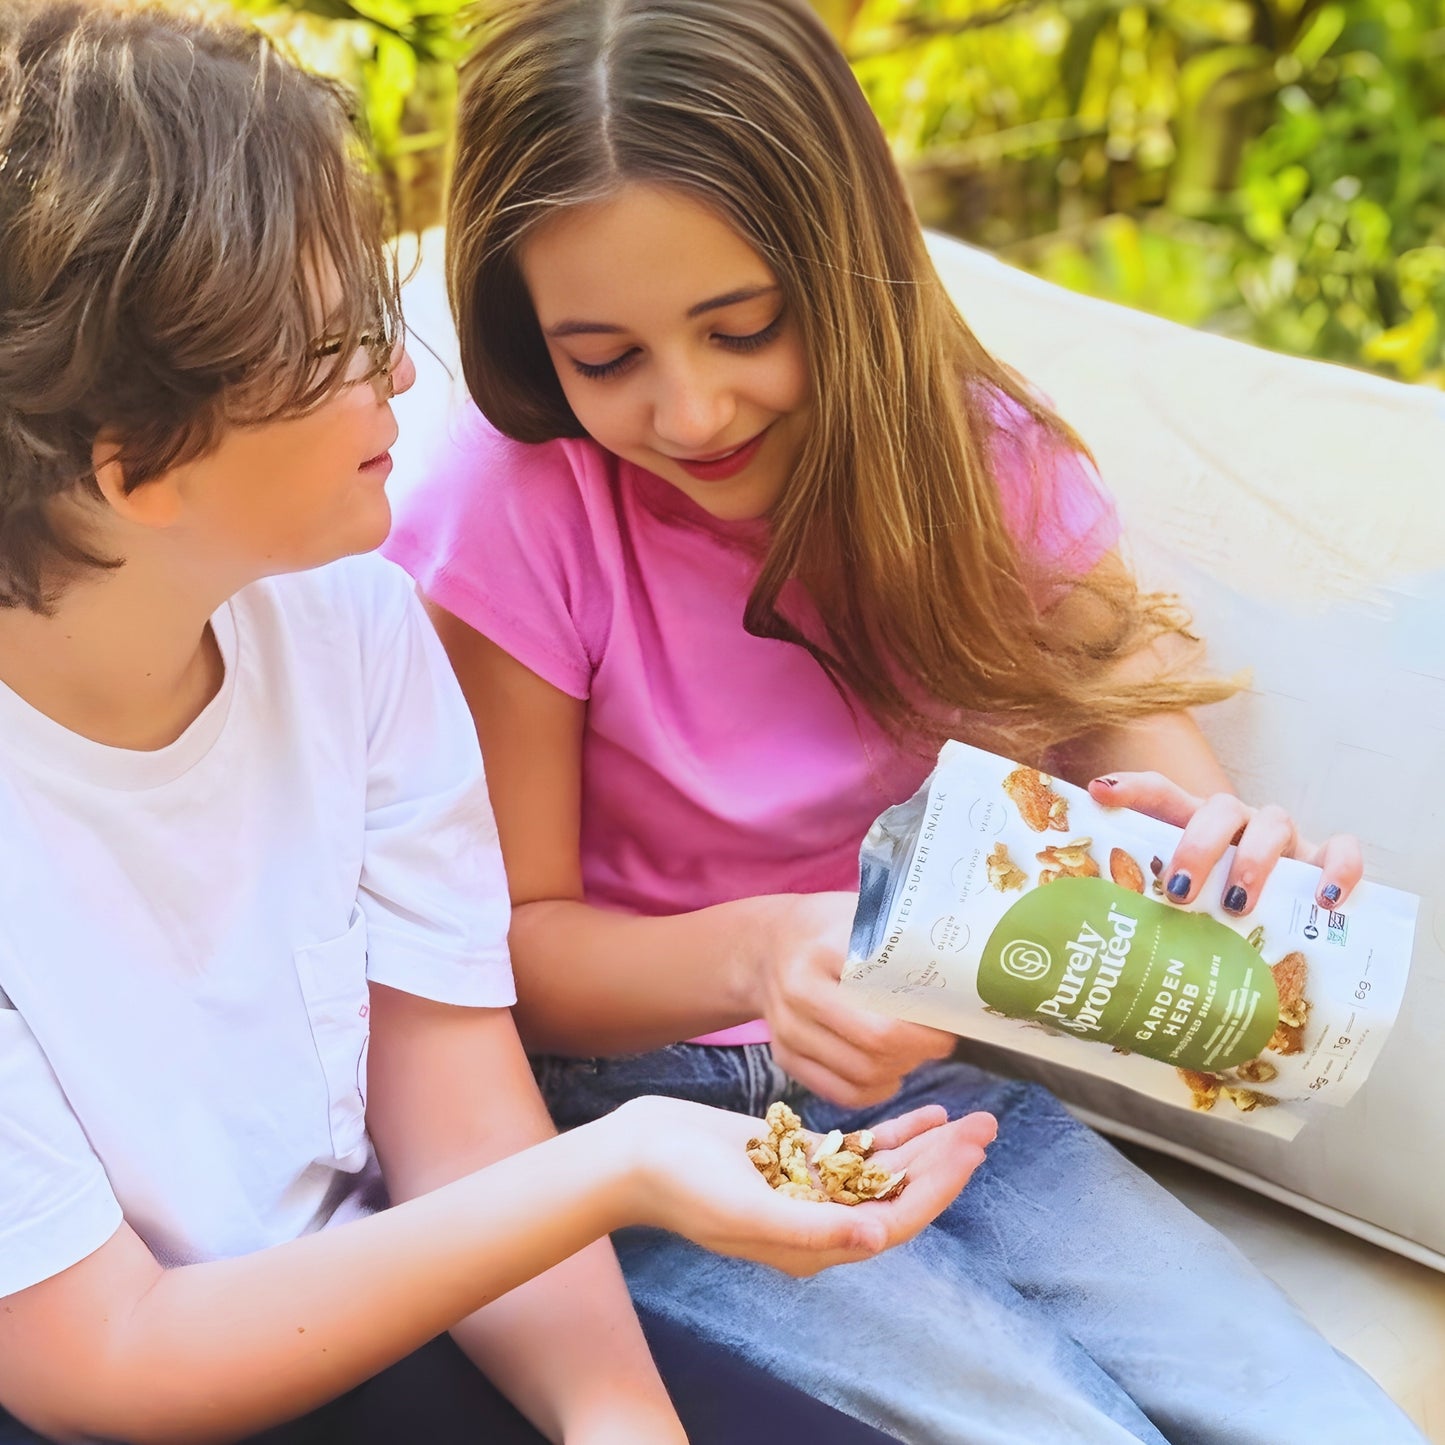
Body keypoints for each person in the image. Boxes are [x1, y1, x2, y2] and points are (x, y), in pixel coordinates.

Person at [384, 1, 1423, 1441]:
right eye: (602, 356)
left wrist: (1188, 825)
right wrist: (761, 947)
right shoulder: (507, 509)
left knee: (1321, 1417)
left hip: (946, 1092)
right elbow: (502, 953)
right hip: (647, 1127)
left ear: (847, 269)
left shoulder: (980, 456)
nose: (689, 409)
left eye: (742, 326)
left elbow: (1110, 704)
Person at [0, 5, 1000, 1443]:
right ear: (137, 466)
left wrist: (616, 1421)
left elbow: (453, 1109)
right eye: (343, 337)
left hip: (390, 1300)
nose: (404, 374)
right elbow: (112, 1357)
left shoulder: (351, 618)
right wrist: (626, 1162)